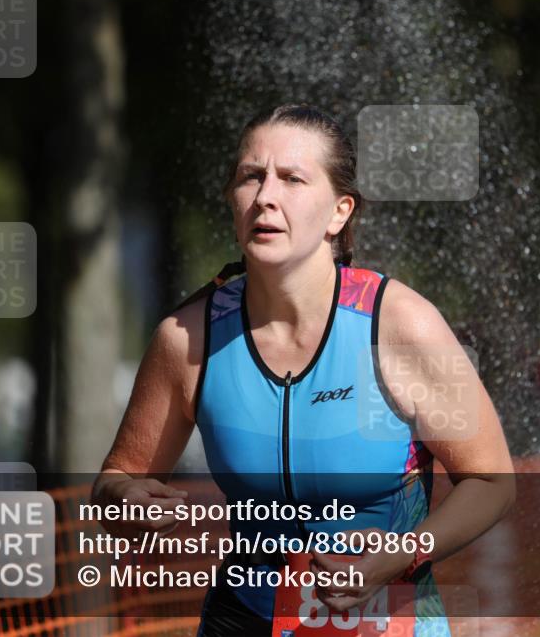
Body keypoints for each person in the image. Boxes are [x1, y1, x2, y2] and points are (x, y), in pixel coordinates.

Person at [94, 104, 515, 636]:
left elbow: (491, 482)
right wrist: (124, 501)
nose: (265, 196)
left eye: (292, 179)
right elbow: (118, 480)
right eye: (251, 176)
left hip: (385, 619)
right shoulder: (187, 338)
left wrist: (405, 552)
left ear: (340, 212)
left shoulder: (400, 325)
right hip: (242, 619)